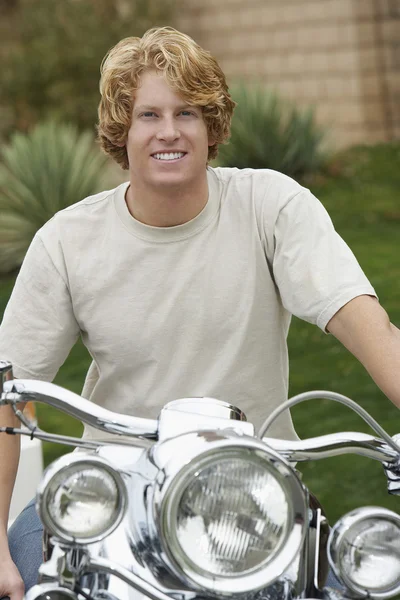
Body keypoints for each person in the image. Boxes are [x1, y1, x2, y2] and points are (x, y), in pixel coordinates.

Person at [1, 25, 400, 599]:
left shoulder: (271, 206)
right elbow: (7, 388)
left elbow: (367, 324)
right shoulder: (67, 241)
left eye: (188, 113)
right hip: (112, 493)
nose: (169, 132)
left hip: (254, 495)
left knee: (351, 586)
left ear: (212, 128)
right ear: (121, 129)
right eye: (148, 115)